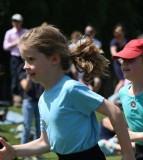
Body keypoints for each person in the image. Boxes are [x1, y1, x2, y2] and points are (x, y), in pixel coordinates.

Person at [0, 25, 135, 160]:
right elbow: (45, 143)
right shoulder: (43, 99)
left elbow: (114, 111)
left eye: (31, 59)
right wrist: (14, 150)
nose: (25, 66)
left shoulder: (70, 89)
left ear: (54, 59)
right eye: (24, 60)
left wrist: (128, 154)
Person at [112, 38, 143, 160]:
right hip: (139, 151)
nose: (124, 63)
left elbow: (135, 134)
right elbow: (134, 127)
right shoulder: (123, 93)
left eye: (130, 59)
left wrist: (135, 136)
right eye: (123, 59)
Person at [18, 64, 44, 160]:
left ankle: (37, 153)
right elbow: (26, 87)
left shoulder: (40, 75)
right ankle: (24, 154)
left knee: (39, 129)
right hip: (28, 101)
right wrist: (29, 75)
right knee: (27, 127)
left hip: (39, 102)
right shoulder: (22, 74)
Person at [3, 13, 28, 106]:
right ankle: (15, 99)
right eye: (14, 21)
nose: (16, 23)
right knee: (14, 77)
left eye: (17, 21)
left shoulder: (25, 31)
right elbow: (5, 47)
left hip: (24, 57)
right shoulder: (9, 33)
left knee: (24, 76)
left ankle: (24, 96)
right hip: (14, 58)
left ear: (21, 22)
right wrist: (16, 42)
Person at [109, 23, 128, 105]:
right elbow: (113, 53)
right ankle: (113, 99)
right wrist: (120, 60)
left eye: (119, 31)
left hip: (126, 63)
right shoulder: (114, 41)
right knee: (122, 81)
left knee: (126, 81)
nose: (118, 33)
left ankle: (119, 99)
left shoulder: (127, 41)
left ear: (123, 32)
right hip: (118, 63)